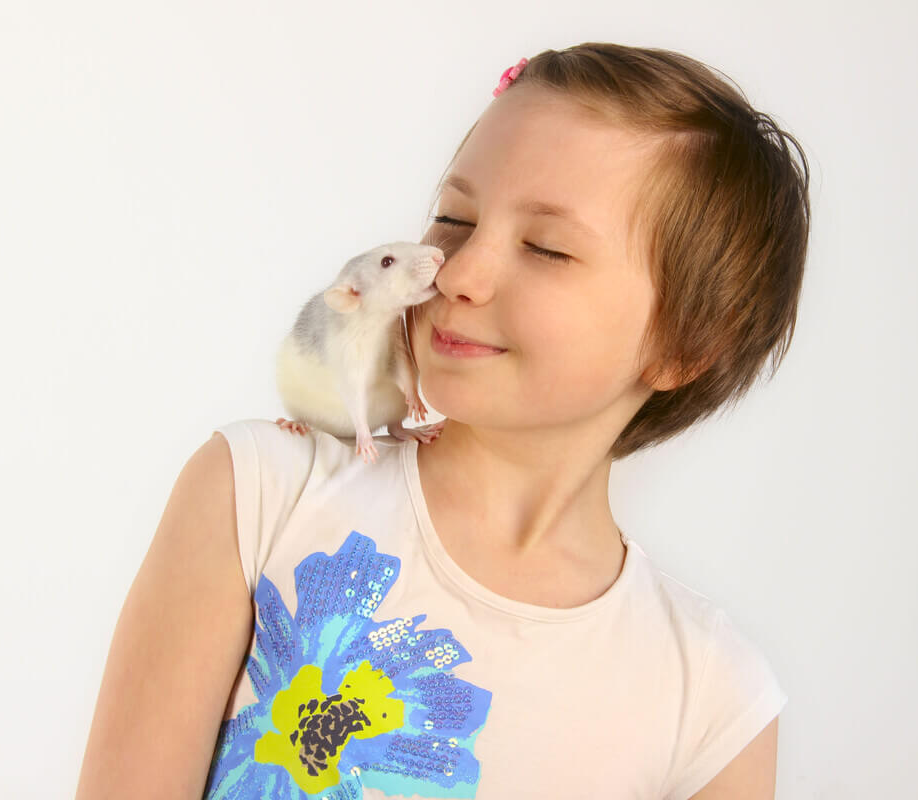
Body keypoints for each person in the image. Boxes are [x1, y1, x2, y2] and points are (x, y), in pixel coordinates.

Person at [75, 42, 810, 800]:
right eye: (454, 218)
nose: (455, 273)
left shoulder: (714, 704)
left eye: (547, 248)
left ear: (683, 346)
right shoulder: (256, 496)